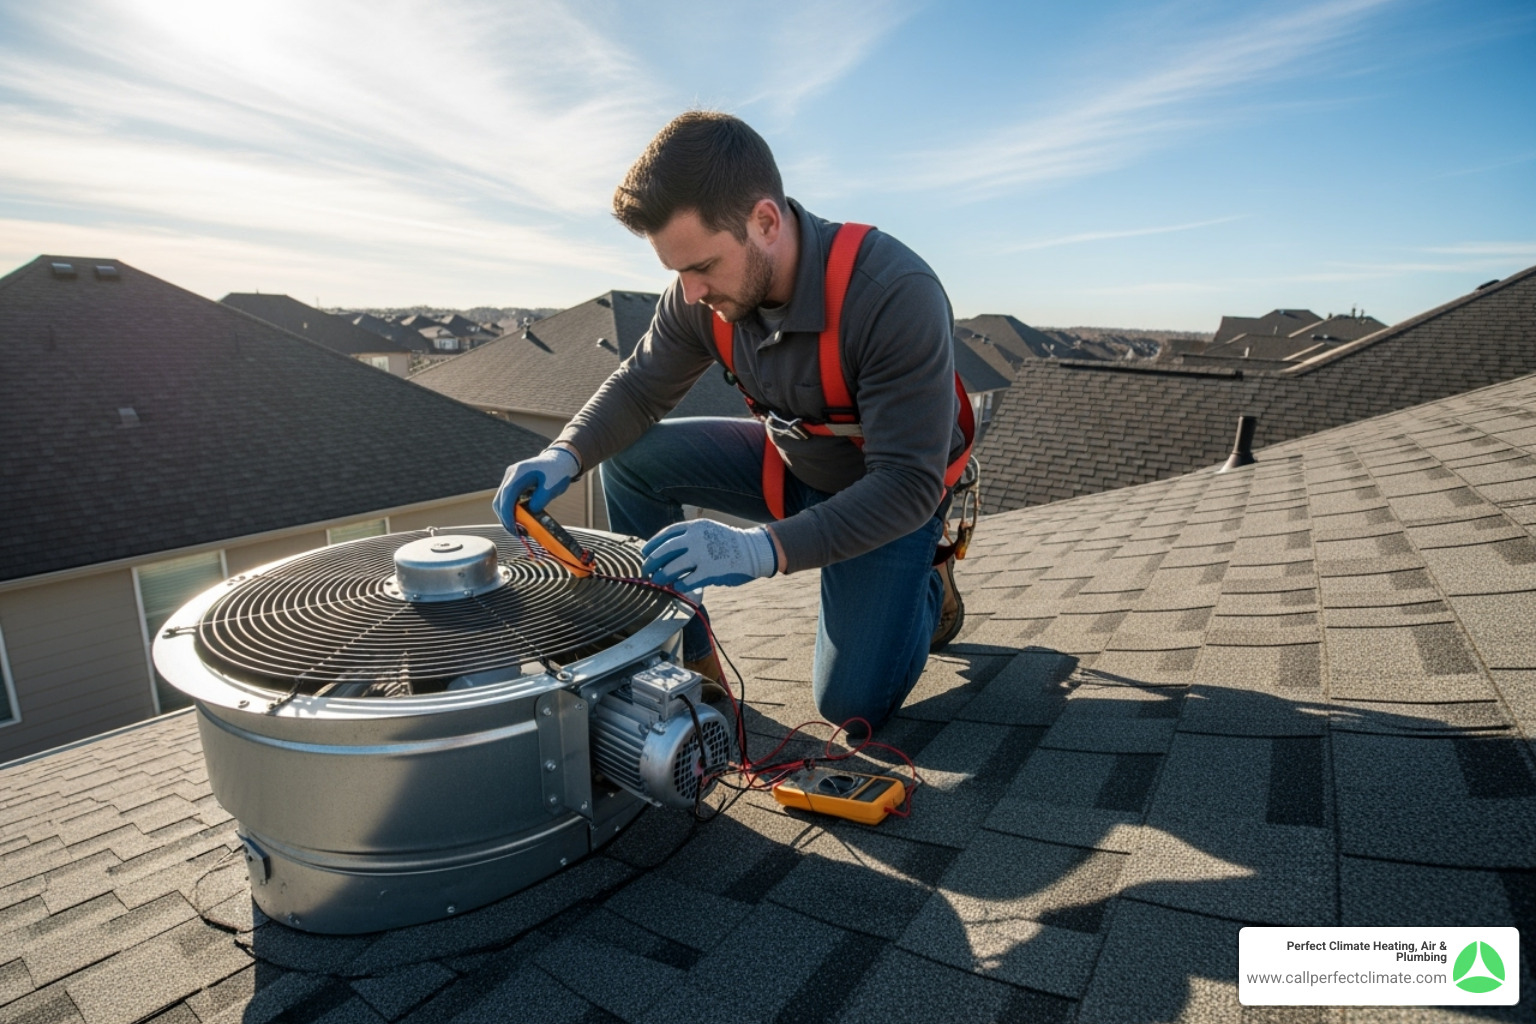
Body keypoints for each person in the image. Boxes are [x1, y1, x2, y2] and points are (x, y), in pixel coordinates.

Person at [493, 111, 967, 736]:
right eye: (676, 271)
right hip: (791, 467)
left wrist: (760, 549)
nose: (689, 293)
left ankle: (925, 582)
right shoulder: (699, 295)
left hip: (889, 501)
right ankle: (683, 652)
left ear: (765, 222)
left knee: (851, 707)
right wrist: (564, 454)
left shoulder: (891, 294)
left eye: (703, 267)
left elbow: (907, 483)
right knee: (631, 460)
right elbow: (638, 388)